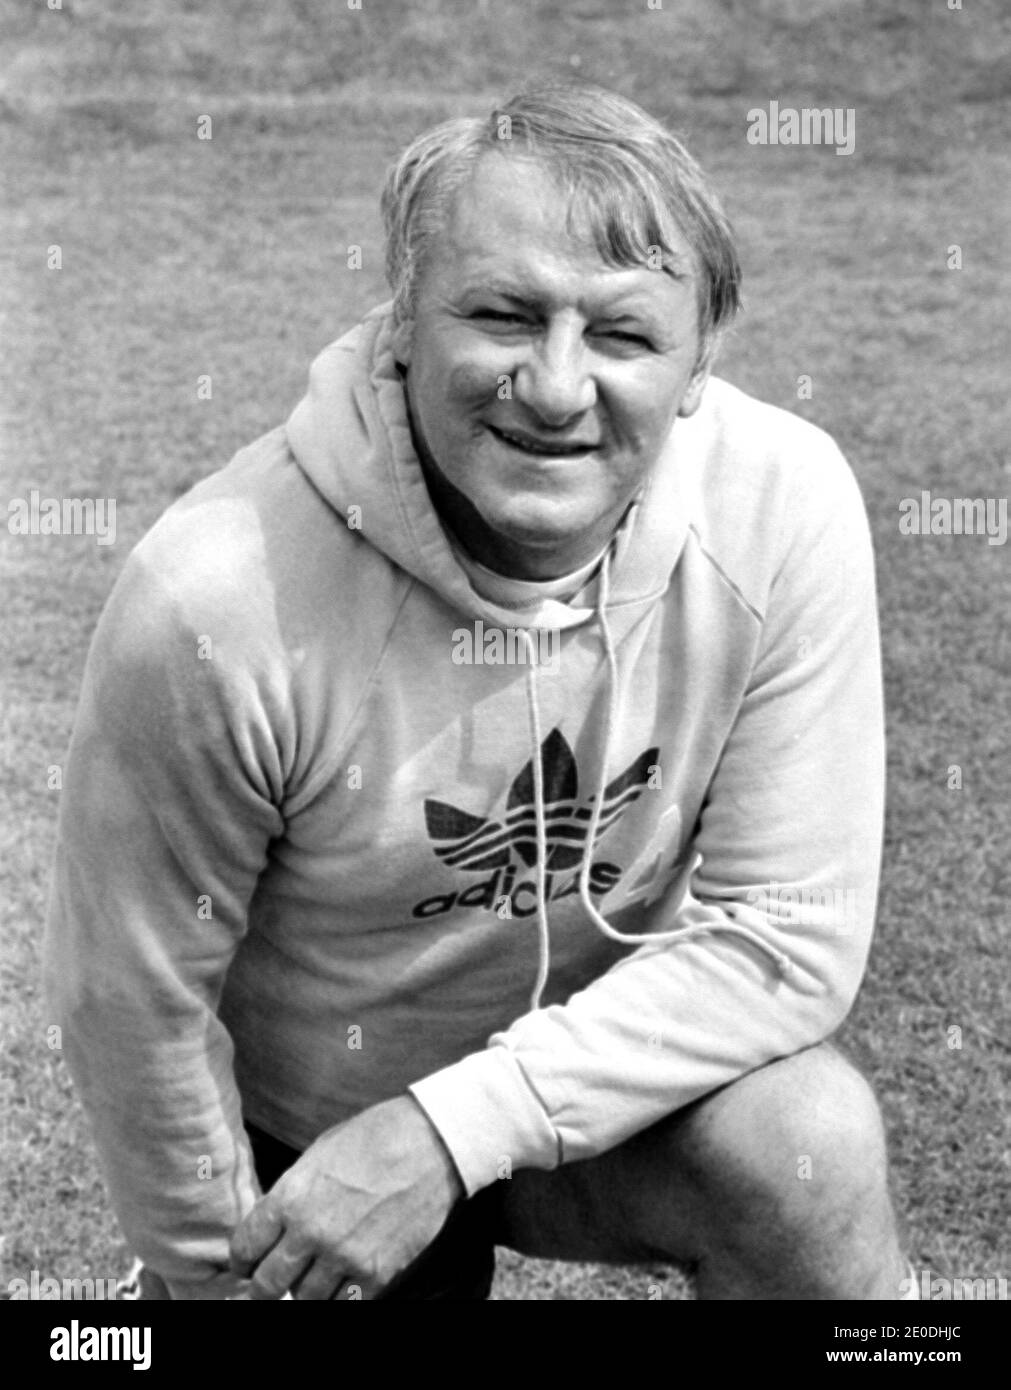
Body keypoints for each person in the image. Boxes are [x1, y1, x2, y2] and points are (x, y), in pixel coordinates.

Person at [45, 83, 913, 1301]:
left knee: (805, 1144)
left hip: (610, 1092)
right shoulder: (215, 597)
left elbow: (787, 933)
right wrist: (218, 1277)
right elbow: (132, 999)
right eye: (504, 315)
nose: (557, 389)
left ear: (700, 360)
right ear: (403, 322)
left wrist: (453, 1130)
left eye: (621, 335)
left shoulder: (784, 506)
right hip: (318, 1146)